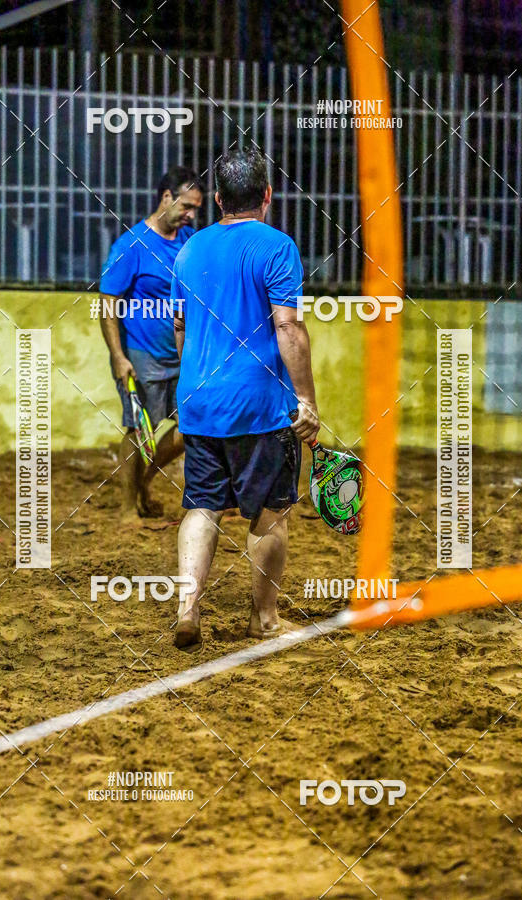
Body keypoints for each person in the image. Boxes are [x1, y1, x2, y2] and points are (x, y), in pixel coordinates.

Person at [171, 147, 319, 649]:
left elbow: (180, 327)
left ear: (216, 199)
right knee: (271, 512)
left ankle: (188, 608)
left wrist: (191, 383)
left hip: (198, 400)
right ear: (268, 196)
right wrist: (306, 399)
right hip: (258, 406)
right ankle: (265, 620)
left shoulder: (190, 249)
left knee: (202, 506)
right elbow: (288, 327)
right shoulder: (277, 246)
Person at [99, 167, 204, 519]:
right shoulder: (131, 246)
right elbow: (108, 302)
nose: (191, 215)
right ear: (166, 198)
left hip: (181, 353)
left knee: (192, 425)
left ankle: (144, 480)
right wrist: (118, 355)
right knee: (135, 428)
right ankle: (128, 509)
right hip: (141, 355)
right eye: (187, 206)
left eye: (196, 209)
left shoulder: (191, 243)